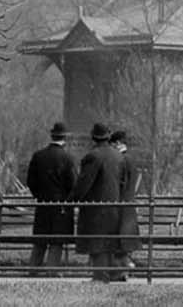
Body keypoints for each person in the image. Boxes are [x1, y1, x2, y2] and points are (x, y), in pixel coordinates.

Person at [71, 122, 123, 283]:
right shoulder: (118, 156)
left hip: (95, 207)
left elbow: (84, 183)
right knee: (108, 242)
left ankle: (100, 277)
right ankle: (114, 273)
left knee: (97, 242)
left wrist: (71, 201)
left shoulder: (92, 156)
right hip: (114, 205)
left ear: (93, 137)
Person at [25, 121, 76, 272]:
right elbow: (73, 184)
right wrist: (68, 201)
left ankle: (33, 270)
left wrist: (39, 196)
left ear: (51, 136)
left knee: (40, 241)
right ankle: (52, 271)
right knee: (56, 242)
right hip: (61, 206)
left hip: (43, 204)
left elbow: (30, 181)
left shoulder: (38, 156)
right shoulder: (68, 158)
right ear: (64, 138)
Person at [111, 130, 141, 275]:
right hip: (129, 204)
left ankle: (124, 269)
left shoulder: (120, 160)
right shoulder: (131, 159)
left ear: (117, 143)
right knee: (124, 242)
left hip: (120, 204)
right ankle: (126, 268)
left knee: (119, 242)